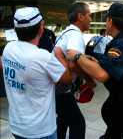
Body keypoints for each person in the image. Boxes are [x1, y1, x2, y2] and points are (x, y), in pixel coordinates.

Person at [67, 2, 123, 139]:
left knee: (114, 132)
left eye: (106, 19)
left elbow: (101, 75)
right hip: (121, 96)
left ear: (110, 21)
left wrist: (77, 56)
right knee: (109, 113)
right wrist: (94, 60)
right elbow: (107, 64)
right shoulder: (121, 40)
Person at [1, 7, 73, 139]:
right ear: (41, 27)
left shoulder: (8, 49)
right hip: (40, 131)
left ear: (16, 29)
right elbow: (67, 79)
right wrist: (60, 55)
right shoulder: (43, 57)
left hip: (17, 126)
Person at [54, 2, 93, 139]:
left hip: (57, 86)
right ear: (80, 16)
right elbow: (72, 64)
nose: (91, 19)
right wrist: (89, 80)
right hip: (63, 88)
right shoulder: (76, 35)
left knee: (63, 121)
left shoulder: (66, 32)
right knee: (78, 124)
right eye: (89, 15)